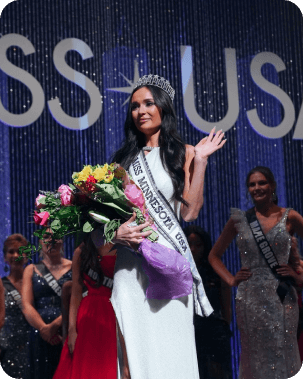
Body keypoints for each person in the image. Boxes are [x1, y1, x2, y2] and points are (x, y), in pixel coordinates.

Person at [110, 74, 226, 379]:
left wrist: (199, 161)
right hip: (130, 268)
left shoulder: (183, 152)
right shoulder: (121, 162)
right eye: (135, 106)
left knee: (174, 352)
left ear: (163, 107)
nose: (141, 111)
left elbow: (190, 213)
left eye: (148, 103)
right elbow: (107, 217)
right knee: (134, 357)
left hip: (168, 264)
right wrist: (115, 233)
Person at [208, 166, 303, 379]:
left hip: (282, 296)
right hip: (250, 299)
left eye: (262, 183)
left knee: (284, 353)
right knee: (254, 356)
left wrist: (298, 277)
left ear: (272, 186)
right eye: (252, 184)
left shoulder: (290, 216)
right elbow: (213, 256)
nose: (257, 188)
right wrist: (231, 279)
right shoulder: (239, 219)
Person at [53, 229, 117, 379]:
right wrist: (72, 330)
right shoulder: (81, 251)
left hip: (115, 314)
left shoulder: (124, 247)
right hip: (88, 317)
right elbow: (76, 291)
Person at [22, 228, 72, 379]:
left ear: (62, 241)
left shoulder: (74, 267)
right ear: (40, 242)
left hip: (66, 332)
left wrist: (56, 325)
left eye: (56, 237)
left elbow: (79, 301)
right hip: (40, 335)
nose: (52, 240)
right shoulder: (30, 269)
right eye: (47, 237)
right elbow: (26, 305)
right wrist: (44, 329)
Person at [184, 225, 232, 379]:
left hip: (214, 333)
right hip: (188, 333)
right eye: (189, 244)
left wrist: (224, 326)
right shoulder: (177, 271)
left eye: (198, 245)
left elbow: (226, 307)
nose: (193, 249)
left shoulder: (215, 271)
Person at [0, 233, 30, 379]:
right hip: (7, 350)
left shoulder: (37, 283)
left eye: (21, 251)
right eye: (11, 251)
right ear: (5, 257)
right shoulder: (1, 285)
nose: (16, 255)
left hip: (34, 348)